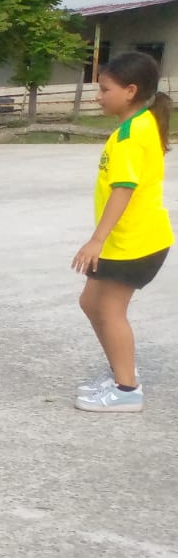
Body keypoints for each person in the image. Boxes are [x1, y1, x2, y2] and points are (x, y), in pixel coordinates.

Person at [72, 51, 171, 413]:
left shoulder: (131, 134)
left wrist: (96, 239)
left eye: (104, 89)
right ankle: (120, 370)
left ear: (130, 91)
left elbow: (123, 189)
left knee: (110, 310)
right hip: (125, 240)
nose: (98, 96)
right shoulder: (139, 124)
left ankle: (127, 390)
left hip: (134, 242)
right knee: (90, 303)